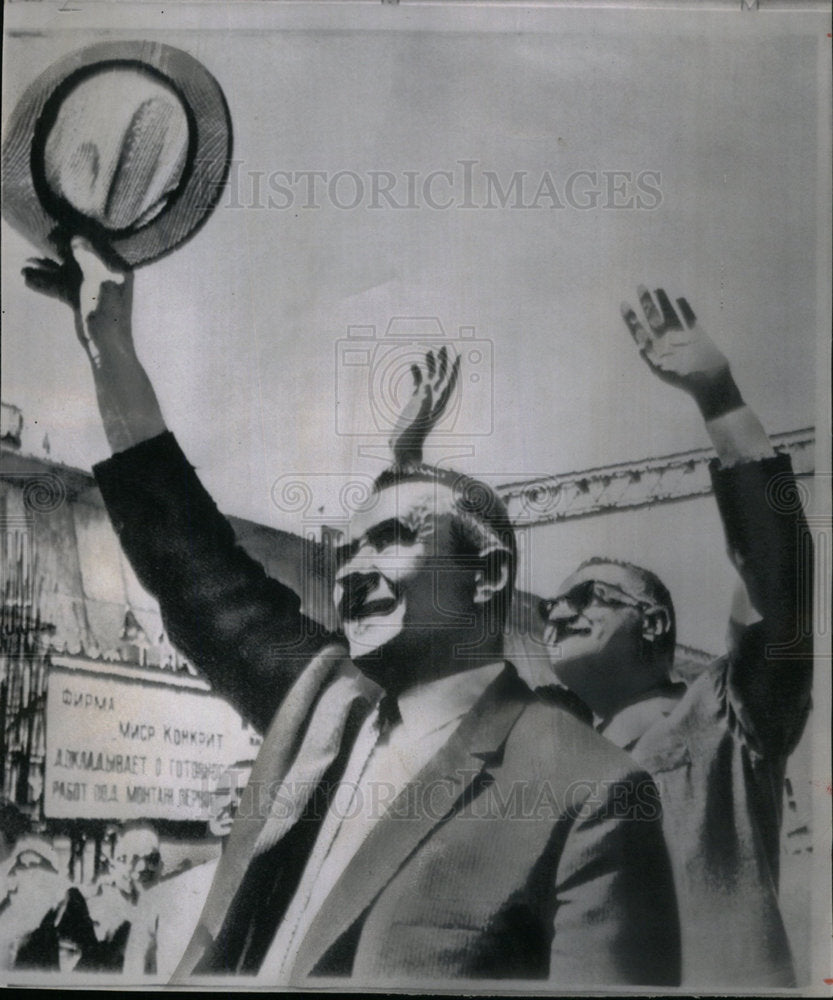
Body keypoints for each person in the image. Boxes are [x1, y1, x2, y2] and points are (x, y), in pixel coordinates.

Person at [23, 240, 681, 987]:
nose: (354, 567)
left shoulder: (589, 790)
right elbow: (192, 563)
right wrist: (108, 345)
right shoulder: (322, 704)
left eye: (395, 540)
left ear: (488, 575)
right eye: (352, 546)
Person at [538, 286, 813, 987]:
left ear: (654, 623)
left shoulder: (724, 719)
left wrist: (719, 399)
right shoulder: (544, 758)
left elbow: (777, 576)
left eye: (586, 599)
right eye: (552, 605)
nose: (557, 614)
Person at [124, 760, 255, 979]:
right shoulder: (159, 898)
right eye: (223, 794)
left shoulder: (279, 894)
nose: (229, 804)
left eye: (243, 793)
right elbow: (132, 977)